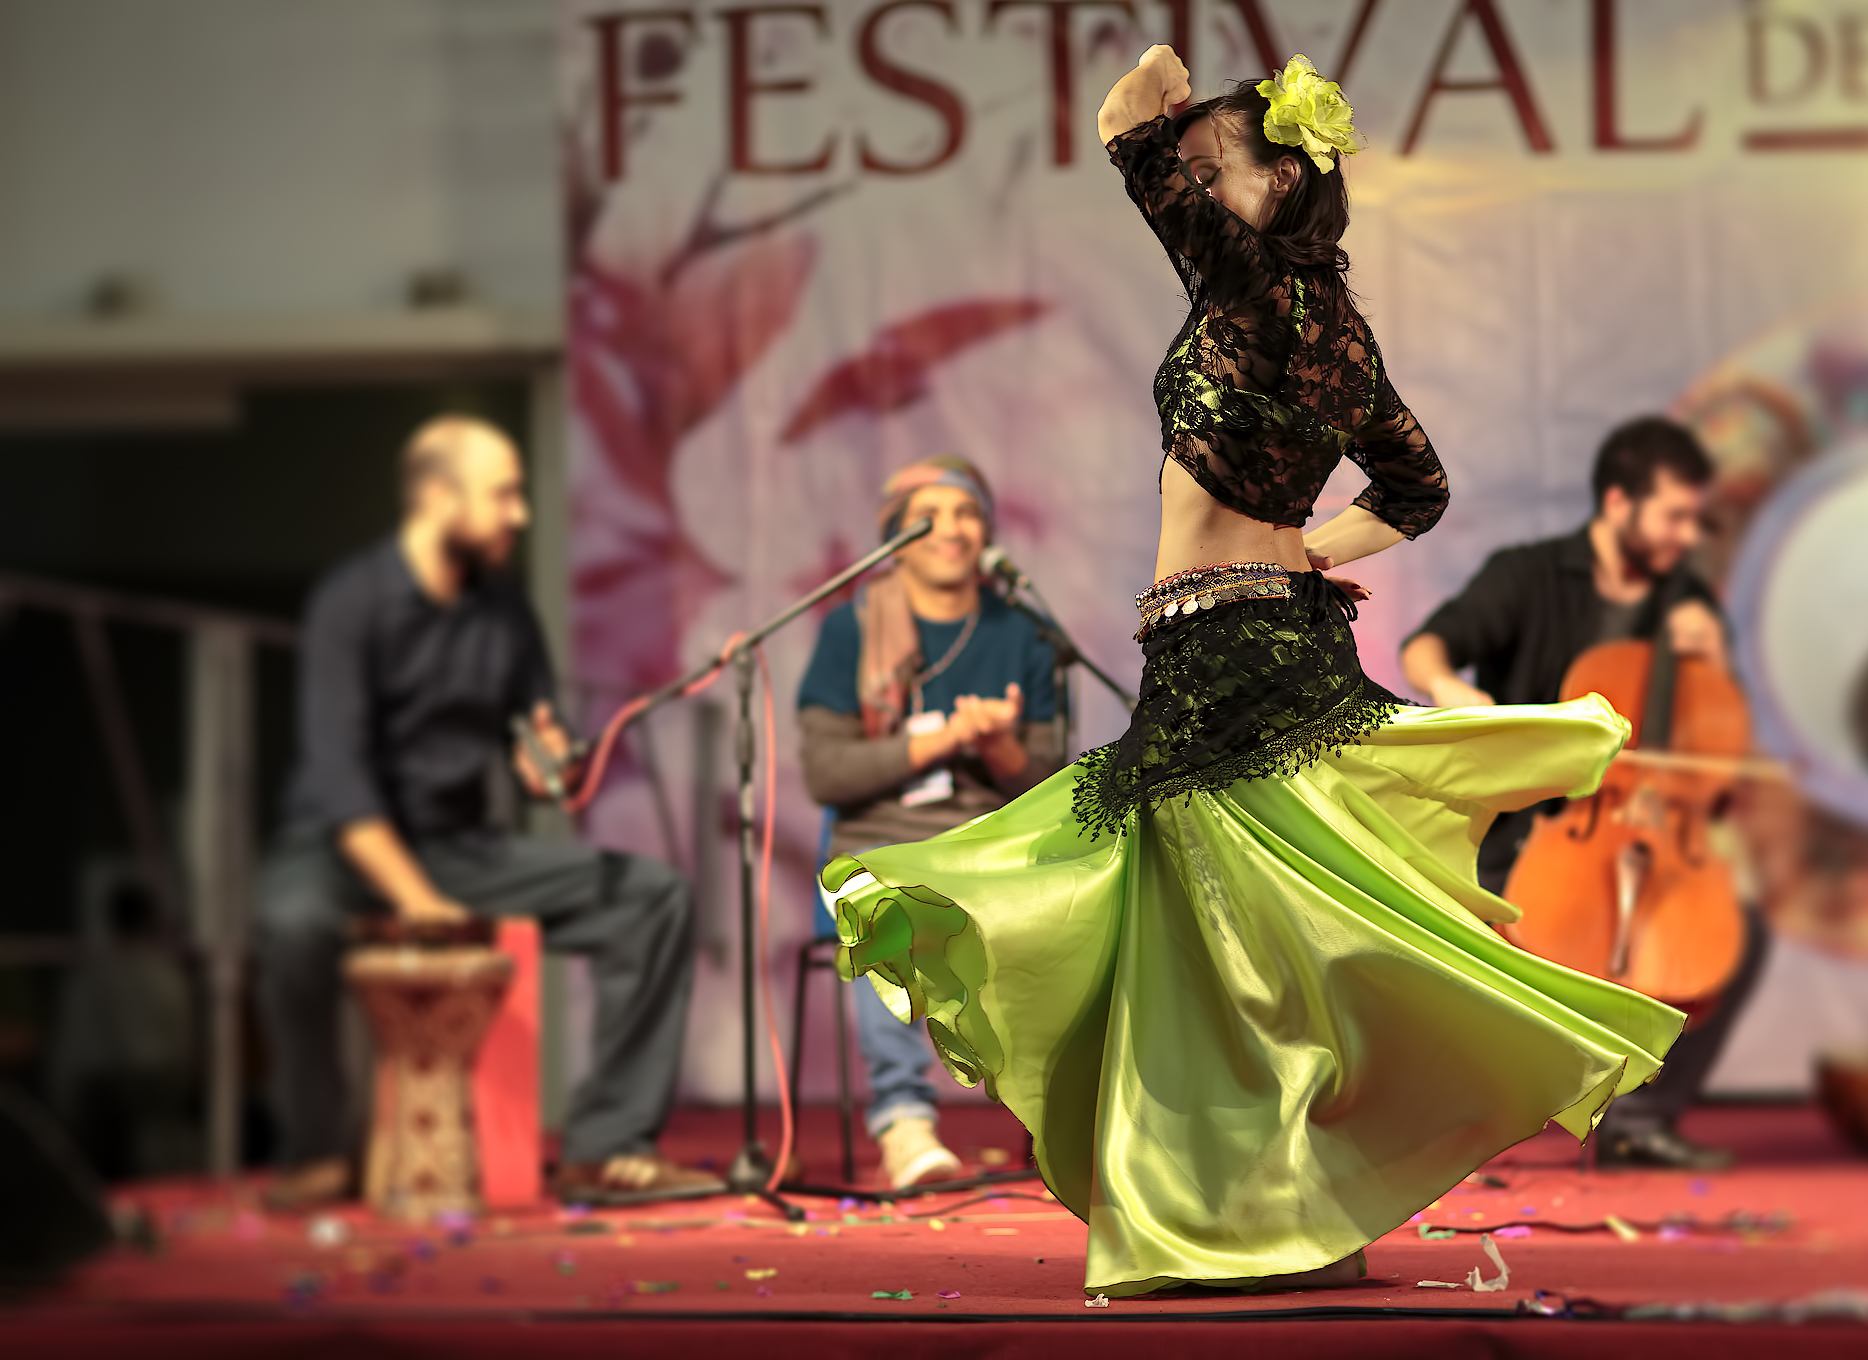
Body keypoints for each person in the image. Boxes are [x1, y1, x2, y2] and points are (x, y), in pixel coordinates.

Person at [820, 49, 1683, 1298]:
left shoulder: (1252, 284)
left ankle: (1247, 1216)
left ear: (1281, 181)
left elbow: (1125, 127)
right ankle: (1287, 1216)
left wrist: (1162, 90)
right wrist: (1308, 551)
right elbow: (1418, 489)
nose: (1196, 187)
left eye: (1214, 170)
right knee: (1253, 938)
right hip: (1259, 632)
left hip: (1228, 650)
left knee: (1221, 940)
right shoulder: (1335, 327)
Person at [256, 415, 716, 1210]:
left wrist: (551, 767)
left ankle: (608, 1146)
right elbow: (341, 785)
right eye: (504, 494)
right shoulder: (349, 604)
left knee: (653, 898)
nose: (520, 514)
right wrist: (418, 902)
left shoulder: (505, 611)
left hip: (460, 847)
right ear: (439, 496)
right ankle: (317, 1149)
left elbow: (538, 746)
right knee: (292, 921)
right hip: (342, 850)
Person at [1400, 415, 1770, 1170]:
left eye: (1695, 520)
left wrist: (1716, 661)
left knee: (1745, 928)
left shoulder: (1688, 603)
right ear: (1618, 502)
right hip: (1525, 834)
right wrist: (1445, 686)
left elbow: (1716, 752)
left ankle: (1638, 1120)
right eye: (1673, 517)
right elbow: (1427, 646)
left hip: (1657, 836)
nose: (1686, 537)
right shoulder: (1527, 575)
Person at [797, 456, 1064, 1188]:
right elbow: (827, 773)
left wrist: (998, 746)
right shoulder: (849, 630)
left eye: (967, 513)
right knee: (880, 906)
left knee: (1073, 899)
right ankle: (904, 1123)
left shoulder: (1026, 633)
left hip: (982, 840)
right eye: (929, 516)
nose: (951, 530)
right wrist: (942, 739)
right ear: (895, 538)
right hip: (877, 843)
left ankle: (1057, 1118)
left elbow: (1047, 782)